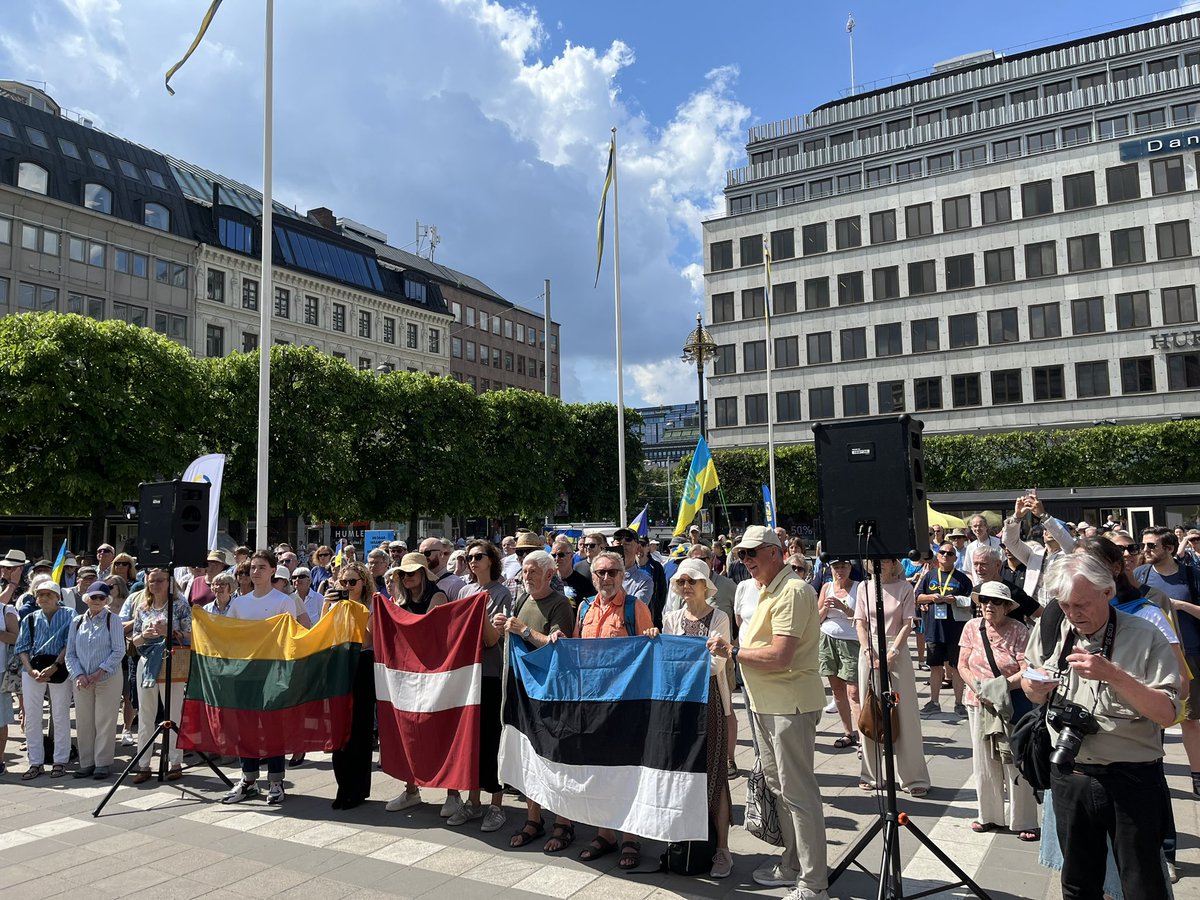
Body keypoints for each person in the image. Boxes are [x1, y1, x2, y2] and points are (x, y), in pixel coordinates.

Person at [1022, 554, 1180, 900]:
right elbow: (1029, 680)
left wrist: (1115, 676)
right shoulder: (1052, 628)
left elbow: (1168, 714)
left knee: (1142, 885)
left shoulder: (1145, 635)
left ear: (1108, 592)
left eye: (1081, 604)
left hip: (1132, 780)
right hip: (1070, 776)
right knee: (1077, 884)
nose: (1073, 615)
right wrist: (1033, 687)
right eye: (1064, 606)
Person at [708, 526, 829, 900]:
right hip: (766, 703)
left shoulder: (792, 591)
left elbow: (780, 656)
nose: (746, 561)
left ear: (776, 552)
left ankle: (814, 882)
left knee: (799, 794)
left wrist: (733, 652)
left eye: (752, 554)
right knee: (780, 788)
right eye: (742, 555)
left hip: (788, 704)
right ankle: (793, 864)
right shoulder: (765, 589)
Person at [570, 550, 654, 871]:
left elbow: (648, 653)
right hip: (591, 702)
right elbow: (577, 651)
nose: (606, 578)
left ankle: (630, 837)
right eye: (601, 572)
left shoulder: (637, 607)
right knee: (599, 770)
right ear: (592, 577)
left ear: (622, 575)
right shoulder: (584, 608)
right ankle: (605, 833)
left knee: (627, 772)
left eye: (613, 572)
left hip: (626, 704)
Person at [649, 559, 733, 879]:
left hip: (709, 700)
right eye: (681, 581)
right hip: (680, 704)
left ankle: (723, 850)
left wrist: (679, 655)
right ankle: (685, 842)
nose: (685, 586)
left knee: (715, 774)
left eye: (691, 581)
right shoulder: (670, 618)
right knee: (682, 773)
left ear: (704, 585)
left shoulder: (719, 617)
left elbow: (715, 665)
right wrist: (658, 642)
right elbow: (666, 663)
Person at [493, 549, 576, 853]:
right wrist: (505, 627)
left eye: (532, 571)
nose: (525, 576)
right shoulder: (522, 599)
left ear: (549, 574)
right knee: (529, 755)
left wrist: (524, 630)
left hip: (552, 694)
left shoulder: (560, 605)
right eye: (524, 571)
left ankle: (563, 822)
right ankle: (533, 818)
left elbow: (559, 647)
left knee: (555, 757)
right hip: (524, 693)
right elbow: (515, 642)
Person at [956, 582, 1036, 838]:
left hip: (1010, 702)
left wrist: (999, 688)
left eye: (996, 601)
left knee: (1014, 760)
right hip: (977, 701)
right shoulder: (971, 627)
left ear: (1007, 606)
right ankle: (988, 816)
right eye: (985, 600)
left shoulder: (1019, 630)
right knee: (984, 761)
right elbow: (962, 665)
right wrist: (980, 690)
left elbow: (1027, 668)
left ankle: (1024, 820)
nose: (989, 605)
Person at [221, 550, 300, 805]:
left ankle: (275, 780)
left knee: (271, 726)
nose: (256, 572)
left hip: (272, 672)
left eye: (262, 567)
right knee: (246, 726)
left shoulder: (283, 601)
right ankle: (248, 778)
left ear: (273, 570)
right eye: (253, 567)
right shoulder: (239, 603)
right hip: (245, 673)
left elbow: (289, 638)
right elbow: (229, 635)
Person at [446, 541, 509, 832]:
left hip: (492, 674)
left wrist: (479, 610)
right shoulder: (464, 591)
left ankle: (496, 804)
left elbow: (491, 639)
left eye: (478, 556)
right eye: (468, 557)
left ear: (491, 559)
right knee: (471, 740)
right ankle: (473, 802)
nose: (472, 561)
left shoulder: (502, 592)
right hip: (467, 676)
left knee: (492, 739)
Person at [854, 559, 931, 797]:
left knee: (905, 711)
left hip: (897, 647)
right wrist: (868, 651)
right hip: (869, 649)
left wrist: (893, 652)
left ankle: (913, 777)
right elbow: (860, 623)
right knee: (870, 708)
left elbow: (908, 624)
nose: (880, 564)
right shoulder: (863, 587)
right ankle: (871, 773)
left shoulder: (904, 588)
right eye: (875, 561)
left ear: (894, 564)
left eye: (885, 560)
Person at [384, 552, 452, 813]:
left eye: (411, 572)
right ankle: (411, 790)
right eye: (402, 573)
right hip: (407, 673)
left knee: (440, 730)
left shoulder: (437, 596)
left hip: (434, 672)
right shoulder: (399, 600)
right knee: (408, 732)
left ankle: (452, 793)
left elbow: (429, 632)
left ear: (423, 574)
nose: (406, 577)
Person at [1134, 526, 1200, 795]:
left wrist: (1179, 606)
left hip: (1189, 653)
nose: (1145, 551)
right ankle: (1151, 773)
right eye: (1144, 545)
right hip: (1149, 656)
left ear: (1170, 549)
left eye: (1152, 546)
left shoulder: (1191, 576)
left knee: (1191, 719)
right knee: (1150, 716)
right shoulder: (1140, 576)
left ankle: (1197, 775)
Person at [128, 568, 192, 783]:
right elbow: (134, 642)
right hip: (146, 663)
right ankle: (143, 764)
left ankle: (176, 762)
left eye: (160, 580)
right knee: (145, 715)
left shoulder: (180, 606)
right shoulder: (143, 607)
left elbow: (193, 637)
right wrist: (142, 636)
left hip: (171, 660)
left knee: (173, 713)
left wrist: (170, 631)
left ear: (169, 582)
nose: (155, 584)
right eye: (151, 581)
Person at [327, 560, 375, 809]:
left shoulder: (371, 605)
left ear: (363, 583)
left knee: (359, 730)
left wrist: (355, 610)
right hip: (339, 665)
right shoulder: (336, 605)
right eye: (343, 582)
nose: (347, 586)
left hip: (362, 665)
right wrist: (330, 604)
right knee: (339, 730)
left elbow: (369, 640)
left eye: (352, 582)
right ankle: (343, 786)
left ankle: (356, 789)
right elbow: (322, 633)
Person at [14, 579, 74, 779]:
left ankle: (60, 760)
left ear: (58, 597)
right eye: (40, 594)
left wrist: (55, 666)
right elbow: (22, 648)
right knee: (31, 716)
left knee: (60, 714)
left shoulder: (70, 615)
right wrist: (30, 670)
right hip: (33, 669)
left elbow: (70, 643)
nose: (44, 598)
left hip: (59, 667)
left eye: (49, 594)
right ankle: (35, 762)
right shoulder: (30, 618)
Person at [66, 580, 125, 779]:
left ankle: (102, 763)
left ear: (107, 599)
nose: (98, 601)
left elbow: (119, 651)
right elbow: (70, 654)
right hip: (83, 679)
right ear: (87, 599)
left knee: (105, 721)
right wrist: (79, 674)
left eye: (102, 597)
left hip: (107, 678)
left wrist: (100, 671)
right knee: (83, 721)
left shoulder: (113, 620)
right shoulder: (77, 621)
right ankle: (86, 763)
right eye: (94, 597)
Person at [915, 542, 974, 717]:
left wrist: (955, 600)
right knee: (935, 666)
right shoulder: (930, 575)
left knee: (957, 667)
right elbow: (918, 597)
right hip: (934, 629)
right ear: (938, 555)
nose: (945, 556)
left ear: (955, 558)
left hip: (956, 629)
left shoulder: (962, 579)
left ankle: (958, 703)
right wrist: (932, 598)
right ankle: (934, 702)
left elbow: (972, 601)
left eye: (950, 553)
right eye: (942, 552)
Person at [817, 558, 861, 750]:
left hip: (851, 640)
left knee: (854, 692)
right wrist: (826, 607)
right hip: (827, 639)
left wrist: (843, 607)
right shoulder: (826, 587)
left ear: (850, 568)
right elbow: (816, 617)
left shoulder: (859, 588)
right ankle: (847, 733)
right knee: (837, 689)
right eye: (836, 567)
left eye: (843, 566)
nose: (839, 570)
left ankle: (863, 738)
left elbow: (862, 618)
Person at [0, 577, 18, 773]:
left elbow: (16, 638)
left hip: (1, 671)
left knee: (0, 720)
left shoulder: (6, 610)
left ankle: (0, 760)